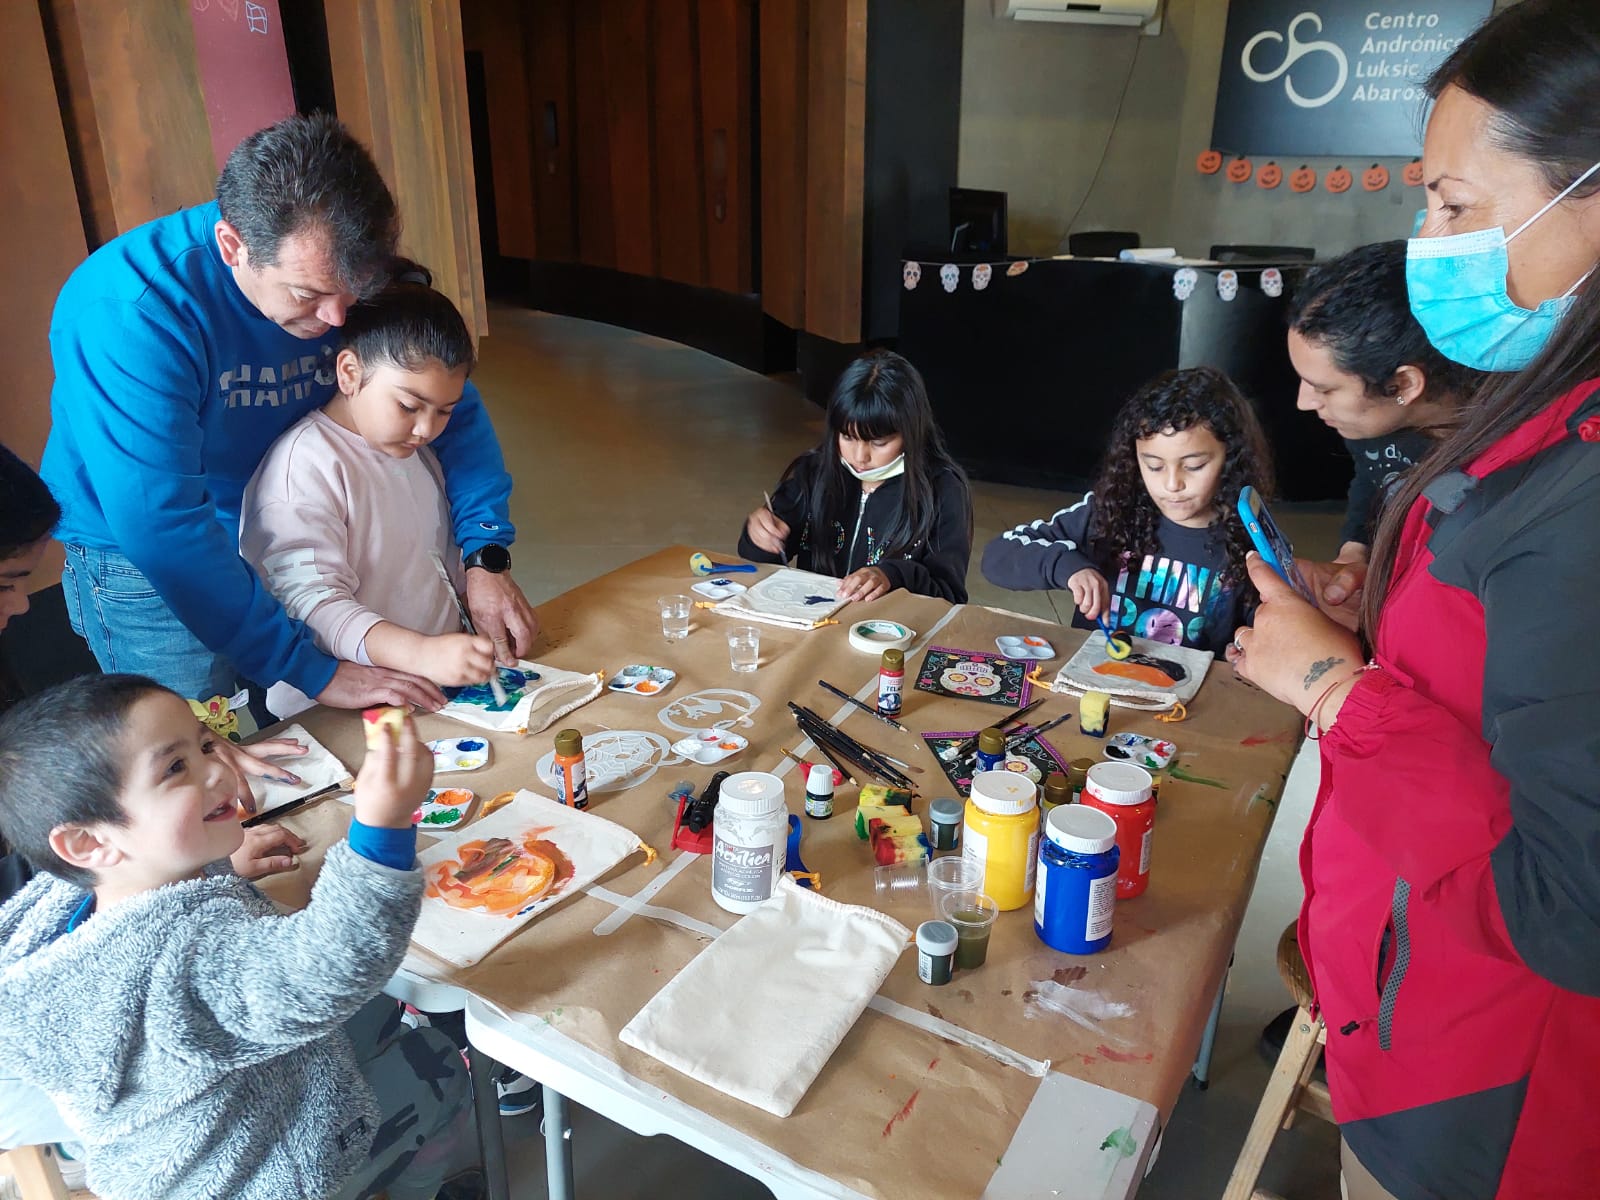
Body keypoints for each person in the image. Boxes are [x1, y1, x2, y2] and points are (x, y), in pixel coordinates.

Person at [1231, 2, 1600, 1195]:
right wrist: (1374, 618)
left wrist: (1332, 685)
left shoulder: (1581, 495)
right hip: (1403, 1001)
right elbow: (1505, 685)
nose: (1426, 239)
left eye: (1454, 205)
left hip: (1484, 1089)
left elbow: (1571, 901)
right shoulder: (1531, 418)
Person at [41, 113, 537, 714]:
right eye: (307, 296)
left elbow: (449, 402)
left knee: (278, 729)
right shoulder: (131, 312)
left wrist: (485, 553)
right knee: (193, 735)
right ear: (233, 246)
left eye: (352, 294)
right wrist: (312, 669)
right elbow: (163, 525)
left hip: (280, 514)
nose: (335, 320)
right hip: (143, 554)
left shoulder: (350, 269)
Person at [0, 677, 480, 1199]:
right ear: (89, 842)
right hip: (262, 1176)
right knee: (440, 1064)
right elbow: (326, 968)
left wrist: (216, 862)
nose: (217, 770)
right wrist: (383, 829)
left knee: (383, 1011)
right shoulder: (179, 966)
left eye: (205, 745)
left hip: (193, 1141)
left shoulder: (74, 904)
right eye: (175, 768)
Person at [240, 266, 497, 719]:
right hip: (334, 713)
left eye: (444, 412)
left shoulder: (413, 449)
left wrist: (468, 623)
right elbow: (309, 605)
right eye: (409, 405)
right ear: (350, 373)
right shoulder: (304, 467)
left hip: (424, 694)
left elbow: (434, 557)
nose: (425, 428)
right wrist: (420, 653)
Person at [981, 366, 1273, 656]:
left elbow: (1270, 637)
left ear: (1232, 458)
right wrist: (1068, 567)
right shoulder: (1110, 511)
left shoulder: (1253, 540)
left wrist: (1248, 649)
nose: (1172, 484)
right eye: (1154, 466)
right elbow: (997, 557)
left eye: (1194, 466)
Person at [1285, 240, 1482, 624]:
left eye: (1324, 388)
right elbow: (1374, 479)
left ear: (1403, 385)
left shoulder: (1507, 465)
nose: (1303, 403)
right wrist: (1356, 553)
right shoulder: (1374, 422)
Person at [738, 349, 973, 603]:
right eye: (848, 437)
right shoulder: (816, 472)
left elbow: (950, 596)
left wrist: (892, 575)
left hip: (888, 635)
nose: (860, 456)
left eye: (879, 442)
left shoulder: (941, 490)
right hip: (817, 624)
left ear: (910, 432)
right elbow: (762, 560)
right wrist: (758, 537)